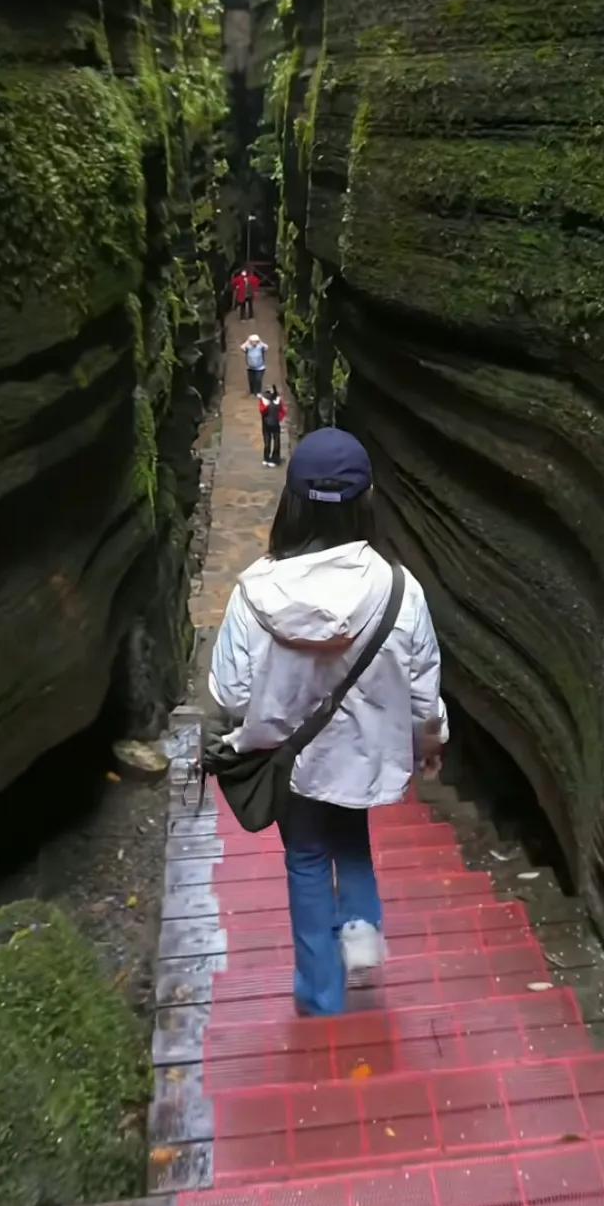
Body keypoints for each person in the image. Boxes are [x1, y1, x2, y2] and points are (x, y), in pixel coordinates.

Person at [208, 428, 449, 1017]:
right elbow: (424, 690)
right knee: (351, 836)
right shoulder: (400, 589)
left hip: (289, 761)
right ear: (366, 502)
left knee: (308, 859)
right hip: (362, 755)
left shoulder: (254, 593)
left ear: (290, 502)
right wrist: (431, 741)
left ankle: (320, 995)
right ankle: (362, 928)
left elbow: (233, 693)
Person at [258, 384, 288, 467]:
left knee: (275, 441)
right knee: (269, 441)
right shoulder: (267, 401)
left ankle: (272, 458)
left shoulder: (269, 400)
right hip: (270, 423)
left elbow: (282, 411)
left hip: (271, 423)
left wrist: (279, 418)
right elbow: (262, 410)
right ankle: (268, 458)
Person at [241, 331, 267, 395]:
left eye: (255, 341)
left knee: (258, 380)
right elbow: (242, 347)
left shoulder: (260, 347)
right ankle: (252, 392)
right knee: (251, 381)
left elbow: (266, 347)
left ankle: (258, 392)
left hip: (260, 368)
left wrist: (260, 341)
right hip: (250, 367)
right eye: (252, 341)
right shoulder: (248, 347)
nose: (254, 343)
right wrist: (248, 340)